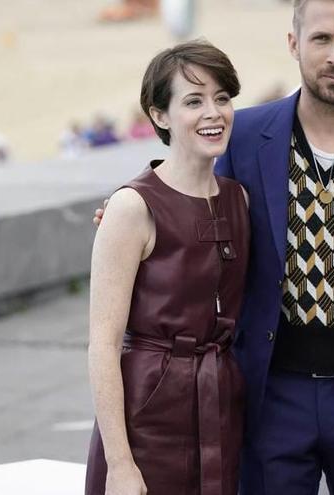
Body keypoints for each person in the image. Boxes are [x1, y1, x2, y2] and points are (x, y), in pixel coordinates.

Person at [94, 1, 334, 493]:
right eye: (321, 39)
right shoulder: (243, 135)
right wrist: (127, 208)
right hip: (270, 395)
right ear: (294, 43)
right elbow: (196, 204)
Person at [85, 40, 250, 495]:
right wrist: (120, 465)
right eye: (193, 101)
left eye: (222, 98)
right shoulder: (131, 206)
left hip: (222, 406)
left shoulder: (240, 199)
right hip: (148, 415)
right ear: (159, 115)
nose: (213, 113)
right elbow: (102, 345)